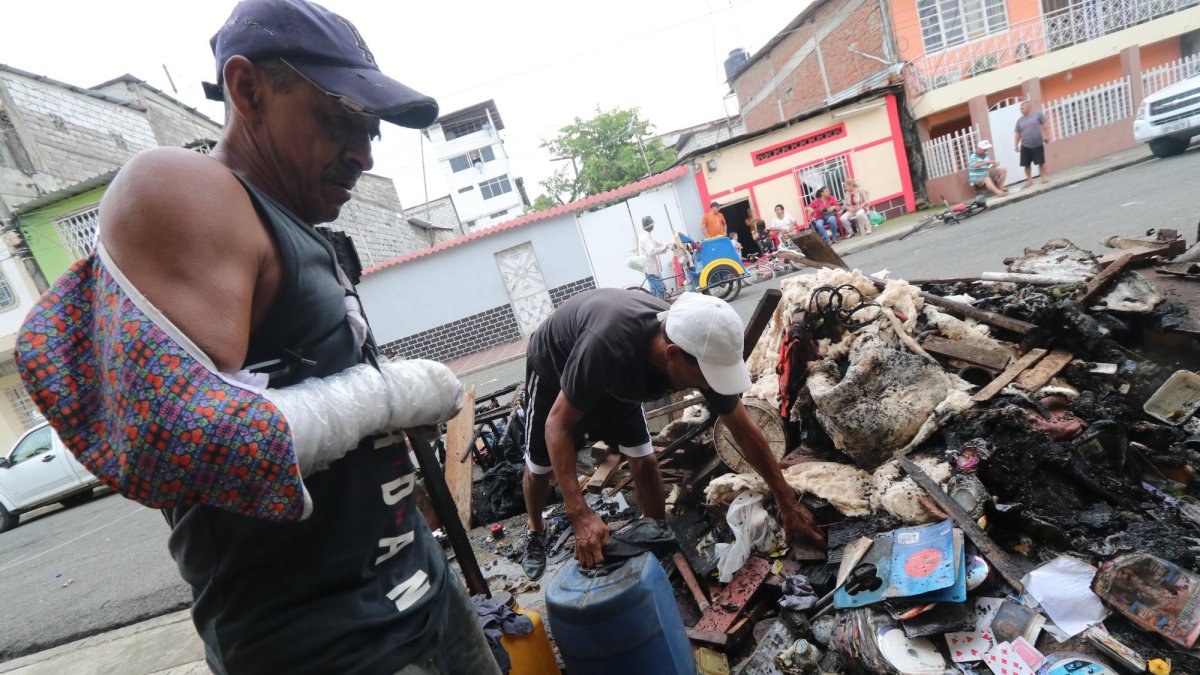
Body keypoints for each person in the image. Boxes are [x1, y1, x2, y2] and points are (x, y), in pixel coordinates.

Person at [15, 1, 498, 673]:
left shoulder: (297, 224)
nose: (362, 151)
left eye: (373, 133)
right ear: (248, 91)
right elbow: (183, 437)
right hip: (325, 645)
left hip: (422, 593)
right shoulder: (187, 188)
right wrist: (392, 395)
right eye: (339, 120)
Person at [519, 290, 825, 579]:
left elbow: (744, 430)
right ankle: (534, 530)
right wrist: (580, 514)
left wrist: (785, 499)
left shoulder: (696, 344)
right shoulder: (608, 346)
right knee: (540, 467)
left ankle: (658, 541)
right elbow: (556, 426)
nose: (709, 384)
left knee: (646, 463)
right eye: (705, 377)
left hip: (618, 382)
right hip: (555, 367)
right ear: (673, 354)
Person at [1014, 100, 1049, 187]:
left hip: (1037, 143)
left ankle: (1044, 177)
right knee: (1026, 164)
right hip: (1025, 145)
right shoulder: (1019, 121)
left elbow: (1045, 124)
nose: (1021, 110)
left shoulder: (1037, 115)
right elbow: (1018, 134)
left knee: (1041, 162)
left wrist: (1047, 135)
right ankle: (1029, 180)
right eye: (1020, 109)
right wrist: (1016, 144)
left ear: (1029, 107)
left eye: (1023, 108)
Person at [637, 215, 671, 298]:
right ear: (649, 225)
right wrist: (664, 247)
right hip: (650, 270)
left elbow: (656, 243)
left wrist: (666, 245)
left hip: (651, 269)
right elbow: (652, 252)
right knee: (660, 290)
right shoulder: (644, 238)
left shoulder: (647, 235)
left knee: (654, 291)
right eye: (652, 224)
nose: (653, 226)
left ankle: (656, 308)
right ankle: (660, 309)